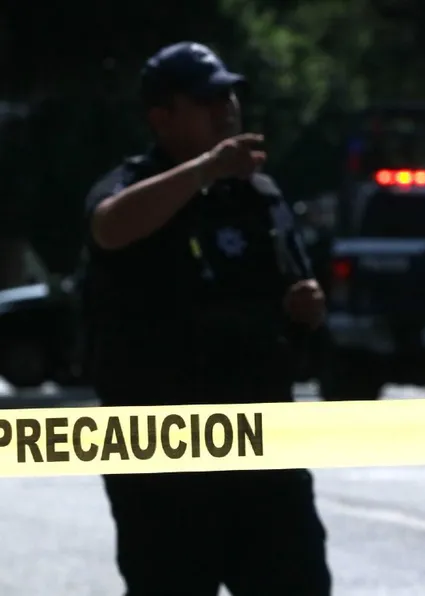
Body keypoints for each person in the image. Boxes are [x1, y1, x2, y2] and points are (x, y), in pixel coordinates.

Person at [81, 42, 332, 595]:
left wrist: (303, 307)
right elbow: (109, 227)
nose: (227, 109)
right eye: (207, 99)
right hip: (165, 452)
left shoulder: (258, 194)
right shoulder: (136, 184)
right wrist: (203, 170)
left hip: (260, 439)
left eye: (230, 96)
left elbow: (285, 286)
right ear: (161, 117)